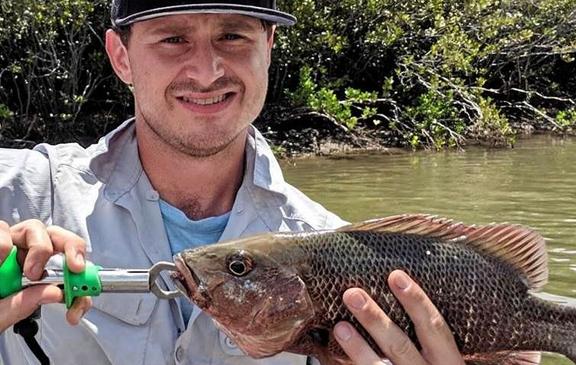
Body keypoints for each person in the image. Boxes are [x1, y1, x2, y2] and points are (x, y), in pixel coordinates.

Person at [0, 1, 465, 364]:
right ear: (121, 56)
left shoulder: (336, 248)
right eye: (173, 39)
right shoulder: (21, 191)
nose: (207, 71)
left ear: (268, 46)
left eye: (232, 35)